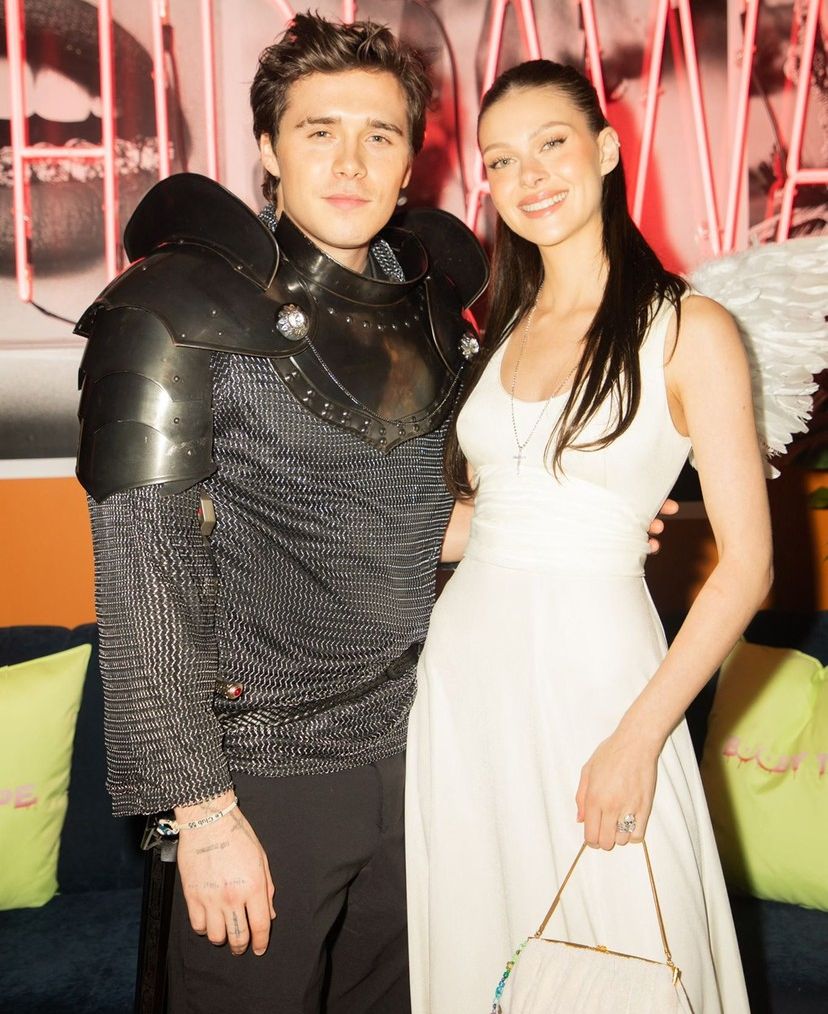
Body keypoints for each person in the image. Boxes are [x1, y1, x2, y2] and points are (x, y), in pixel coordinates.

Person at [74, 13, 490, 1014]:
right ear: (268, 147)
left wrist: (581, 525)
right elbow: (145, 573)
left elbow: (425, 521)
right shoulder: (178, 309)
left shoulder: (439, 312)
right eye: (318, 131)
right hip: (259, 775)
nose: (349, 162)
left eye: (379, 135)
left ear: (411, 163)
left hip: (425, 752)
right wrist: (202, 814)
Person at [405, 59, 771, 1014]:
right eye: (502, 160)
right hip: (464, 690)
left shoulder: (689, 328)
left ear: (607, 150)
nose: (528, 176)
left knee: (622, 958)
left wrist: (640, 738)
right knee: (485, 948)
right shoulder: (500, 328)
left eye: (552, 144)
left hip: (600, 690)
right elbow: (483, 524)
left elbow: (748, 567)